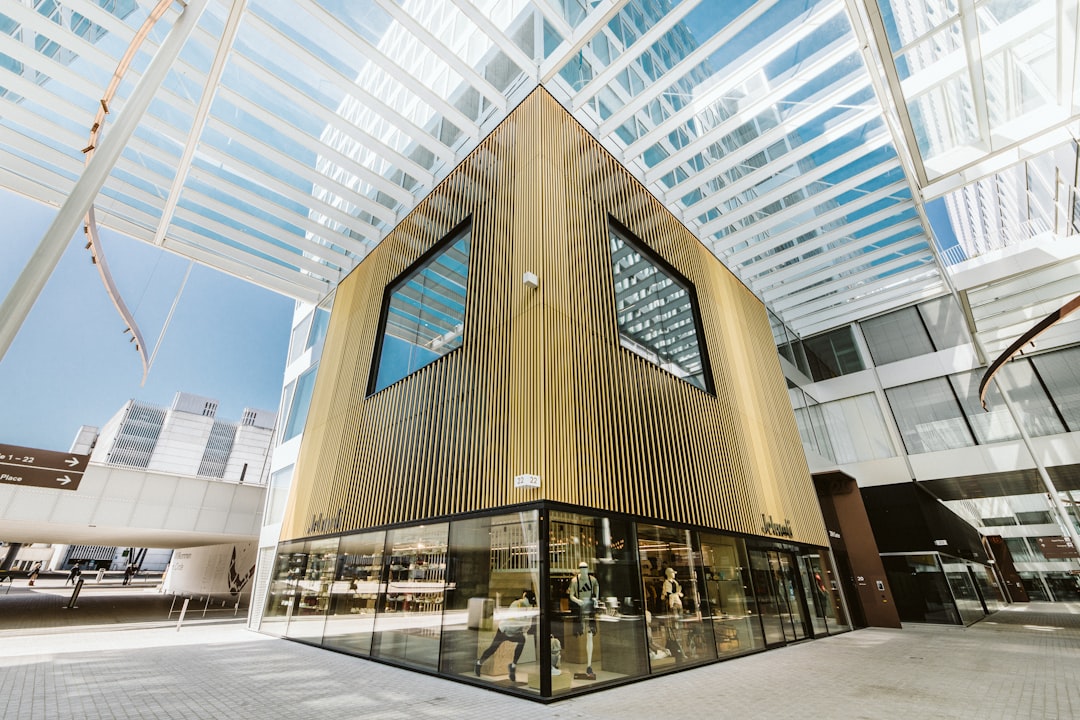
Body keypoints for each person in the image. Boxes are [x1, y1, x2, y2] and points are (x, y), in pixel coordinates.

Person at [475, 589, 536, 682]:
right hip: (507, 630)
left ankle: (511, 665)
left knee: (495, 647)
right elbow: (521, 624)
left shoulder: (523, 606)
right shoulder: (521, 605)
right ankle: (480, 663)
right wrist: (521, 631)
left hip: (508, 631)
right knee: (494, 647)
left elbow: (523, 624)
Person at [569, 561, 599, 679]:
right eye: (581, 568)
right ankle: (588, 665)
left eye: (585, 568)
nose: (583, 570)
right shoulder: (575, 581)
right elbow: (571, 595)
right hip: (580, 609)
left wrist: (595, 599)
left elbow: (596, 591)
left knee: (590, 634)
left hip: (590, 607)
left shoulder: (593, 580)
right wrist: (578, 601)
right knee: (581, 631)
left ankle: (589, 664)